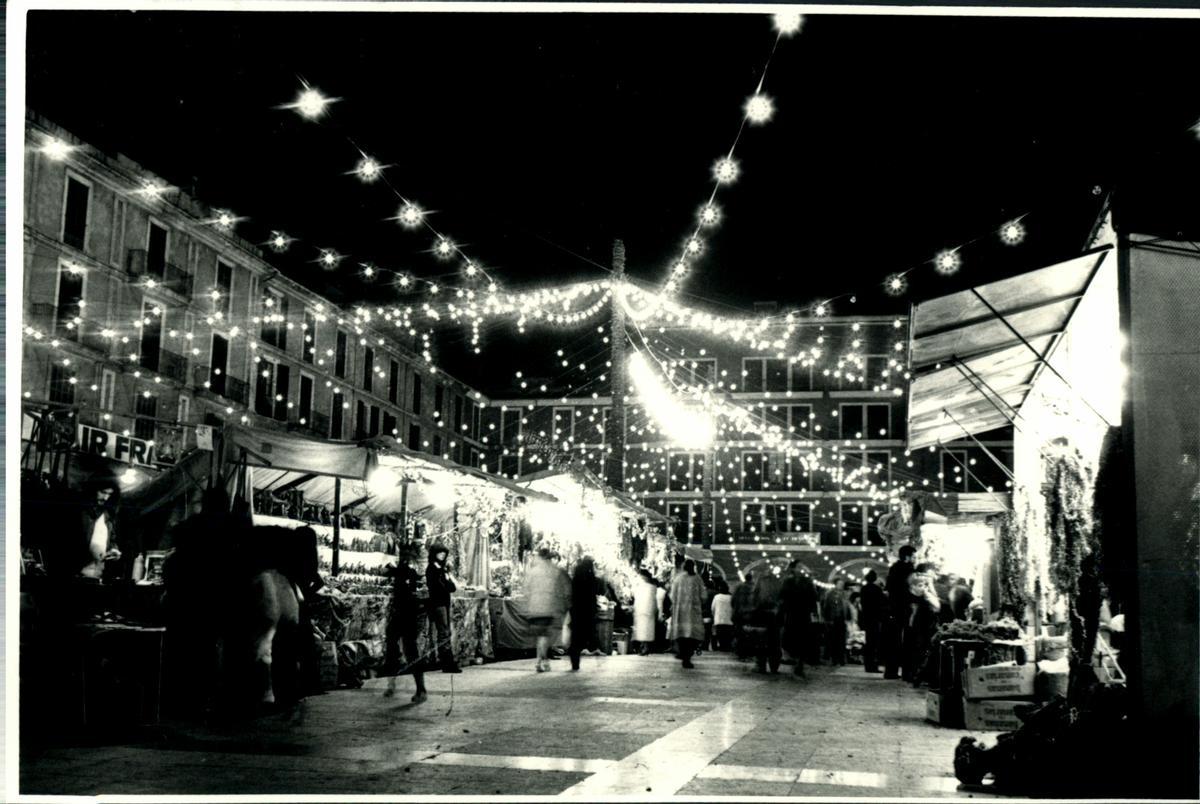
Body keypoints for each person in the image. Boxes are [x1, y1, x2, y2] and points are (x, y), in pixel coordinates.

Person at [382, 541, 429, 703]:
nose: (404, 557)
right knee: (398, 650)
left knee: (408, 651)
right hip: (402, 615)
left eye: (406, 555)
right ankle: (396, 685)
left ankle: (419, 688)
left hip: (406, 616)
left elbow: (389, 572)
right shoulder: (408, 572)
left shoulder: (406, 571)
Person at [525, 548, 569, 672]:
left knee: (541, 636)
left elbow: (526, 589)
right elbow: (563, 589)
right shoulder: (554, 571)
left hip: (534, 608)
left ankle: (541, 661)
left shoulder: (532, 571)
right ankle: (542, 661)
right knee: (544, 636)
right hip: (548, 607)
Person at [425, 543, 462, 673]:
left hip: (443, 602)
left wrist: (446, 582)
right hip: (438, 603)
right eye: (439, 553)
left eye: (444, 553)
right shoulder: (433, 568)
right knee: (444, 632)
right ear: (434, 554)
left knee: (445, 632)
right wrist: (446, 583)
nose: (442, 555)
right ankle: (447, 662)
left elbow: (452, 587)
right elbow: (441, 587)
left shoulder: (441, 569)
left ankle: (447, 661)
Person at [884, 545, 917, 679]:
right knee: (907, 640)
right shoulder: (908, 569)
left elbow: (888, 588)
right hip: (904, 608)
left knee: (893, 639)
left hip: (893, 608)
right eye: (914, 556)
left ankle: (890, 671)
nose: (915, 559)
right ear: (907, 557)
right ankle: (907, 672)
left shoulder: (893, 568)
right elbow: (911, 589)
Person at [779, 561, 816, 676]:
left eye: (802, 567)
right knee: (792, 639)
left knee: (803, 640)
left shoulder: (807, 582)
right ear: (793, 569)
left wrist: (813, 611)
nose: (802, 569)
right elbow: (782, 596)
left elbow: (813, 597)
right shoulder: (788, 581)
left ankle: (799, 664)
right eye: (799, 567)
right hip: (792, 614)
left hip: (803, 614)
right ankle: (795, 661)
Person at [668, 560, 705, 668]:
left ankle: (683, 655)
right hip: (693, 613)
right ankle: (687, 657)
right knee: (692, 636)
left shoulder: (678, 578)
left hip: (680, 613)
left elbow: (672, 596)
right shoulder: (697, 579)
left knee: (682, 635)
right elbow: (704, 596)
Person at [750, 569, 784, 673]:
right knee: (775, 641)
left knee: (761, 641)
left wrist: (754, 611)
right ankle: (774, 666)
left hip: (762, 614)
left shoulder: (761, 579)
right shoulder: (781, 581)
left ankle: (761, 665)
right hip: (774, 615)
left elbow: (754, 596)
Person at [569, 556, 599, 670]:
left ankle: (575, 662)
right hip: (587, 611)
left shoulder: (576, 577)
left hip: (577, 610)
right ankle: (592, 649)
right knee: (588, 633)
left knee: (576, 637)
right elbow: (593, 596)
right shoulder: (591, 578)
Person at [859, 570, 885, 673]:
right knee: (874, 643)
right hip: (875, 618)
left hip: (866, 618)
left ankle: (867, 665)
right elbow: (881, 604)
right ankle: (873, 666)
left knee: (868, 642)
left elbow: (862, 603)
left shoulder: (863, 589)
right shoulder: (877, 589)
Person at [823, 578, 853, 666]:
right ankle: (834, 659)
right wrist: (827, 619)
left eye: (842, 584)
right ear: (836, 584)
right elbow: (826, 607)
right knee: (834, 639)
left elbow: (847, 606)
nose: (841, 585)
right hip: (833, 619)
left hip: (841, 619)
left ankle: (841, 658)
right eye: (840, 583)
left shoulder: (844, 594)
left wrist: (848, 617)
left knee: (841, 639)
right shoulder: (830, 594)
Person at [632, 569, 659, 656]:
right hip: (646, 611)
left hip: (643, 610)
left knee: (644, 631)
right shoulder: (652, 587)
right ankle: (644, 647)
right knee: (645, 631)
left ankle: (644, 648)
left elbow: (637, 597)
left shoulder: (644, 587)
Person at [732, 572, 756, 660]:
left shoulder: (738, 587)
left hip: (739, 614)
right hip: (750, 614)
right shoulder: (754, 588)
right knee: (750, 634)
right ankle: (749, 653)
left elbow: (733, 600)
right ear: (752, 579)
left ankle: (740, 653)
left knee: (740, 634)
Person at [711, 579, 734, 651]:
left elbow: (713, 608)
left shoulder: (716, 597)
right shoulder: (731, 597)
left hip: (719, 620)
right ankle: (726, 647)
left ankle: (721, 646)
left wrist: (714, 616)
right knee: (727, 636)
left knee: (720, 635)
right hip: (729, 621)